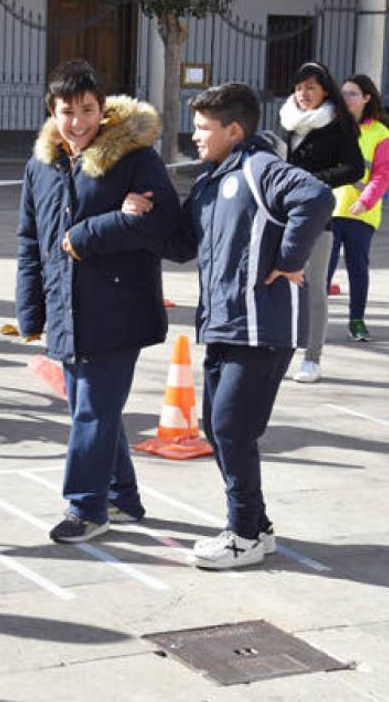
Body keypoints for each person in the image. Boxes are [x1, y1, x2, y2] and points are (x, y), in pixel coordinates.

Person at [123, 83, 333, 569]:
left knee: (231, 429)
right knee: (221, 433)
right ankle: (255, 527)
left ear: (233, 131)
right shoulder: (209, 183)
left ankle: (242, 533)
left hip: (261, 327)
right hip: (222, 325)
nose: (194, 136)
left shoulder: (258, 168)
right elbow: (179, 247)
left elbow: (316, 197)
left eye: (203, 128)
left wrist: (288, 257)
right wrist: (140, 215)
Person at [16, 59, 179, 543]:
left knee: (92, 411)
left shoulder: (134, 158)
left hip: (118, 309)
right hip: (66, 310)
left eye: (88, 109)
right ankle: (122, 498)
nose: (78, 121)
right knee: (90, 411)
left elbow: (165, 224)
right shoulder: (40, 166)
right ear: (52, 111)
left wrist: (91, 232)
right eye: (68, 111)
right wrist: (31, 310)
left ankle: (86, 508)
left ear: (103, 110)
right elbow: (31, 241)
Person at [278, 61, 363, 383]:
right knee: (279, 284)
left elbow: (353, 168)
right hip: (281, 213)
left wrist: (314, 181)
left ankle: (312, 358)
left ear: (325, 90)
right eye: (299, 88)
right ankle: (281, 349)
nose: (304, 94)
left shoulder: (337, 124)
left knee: (314, 287)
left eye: (311, 88)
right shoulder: (286, 119)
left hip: (316, 215)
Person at [329, 74, 389, 342]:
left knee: (358, 267)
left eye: (352, 94)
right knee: (323, 269)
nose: (345, 98)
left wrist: (365, 200)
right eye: (342, 93)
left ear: (366, 98)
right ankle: (312, 321)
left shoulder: (379, 134)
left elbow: (381, 175)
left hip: (361, 213)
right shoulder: (330, 128)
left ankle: (356, 320)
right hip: (329, 210)